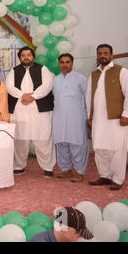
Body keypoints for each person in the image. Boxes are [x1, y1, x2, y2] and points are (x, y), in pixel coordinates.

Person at [87, 44, 128, 190]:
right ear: (97, 56)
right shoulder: (94, 74)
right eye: (100, 53)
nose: (103, 55)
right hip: (98, 120)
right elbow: (88, 96)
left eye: (106, 53)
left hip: (116, 119)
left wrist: (126, 114)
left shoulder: (122, 71)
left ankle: (118, 179)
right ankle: (105, 176)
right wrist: (89, 115)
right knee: (100, 148)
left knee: (116, 148)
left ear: (112, 55)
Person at [5, 46, 56, 178]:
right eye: (23, 55)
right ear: (20, 58)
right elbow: (9, 86)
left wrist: (32, 96)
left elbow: (47, 85)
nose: (26, 57)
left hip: (40, 110)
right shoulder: (14, 71)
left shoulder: (43, 69)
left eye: (28, 54)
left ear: (33, 56)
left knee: (43, 139)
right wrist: (23, 95)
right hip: (20, 110)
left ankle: (48, 167)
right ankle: (18, 166)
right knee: (21, 140)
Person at [52, 54, 89, 182]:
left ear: (72, 63)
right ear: (59, 64)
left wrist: (88, 116)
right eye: (62, 62)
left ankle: (79, 171)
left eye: (67, 62)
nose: (65, 65)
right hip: (59, 117)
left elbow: (88, 99)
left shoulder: (81, 79)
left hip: (76, 117)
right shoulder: (55, 80)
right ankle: (66, 169)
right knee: (61, 143)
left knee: (77, 143)